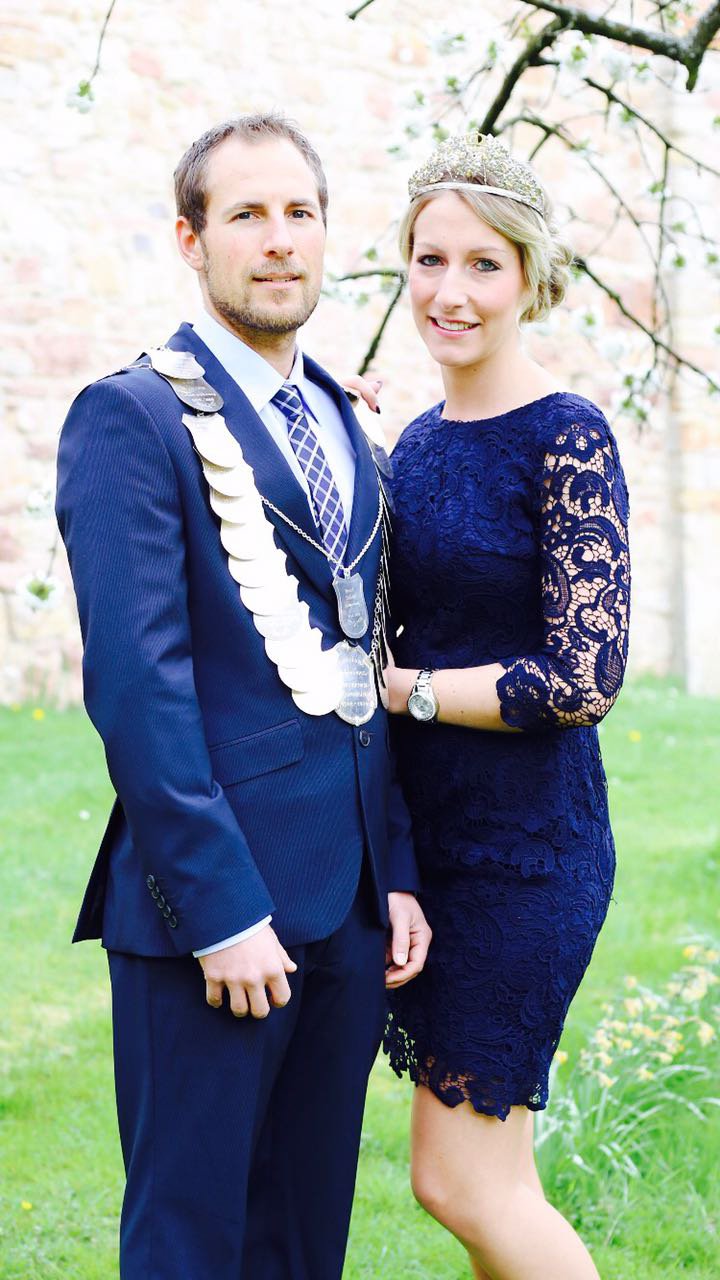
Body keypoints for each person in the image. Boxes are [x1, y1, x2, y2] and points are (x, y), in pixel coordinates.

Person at [55, 111, 431, 1280]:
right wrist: (218, 911)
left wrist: (398, 868)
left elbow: (367, 656)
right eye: (246, 214)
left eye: (299, 212)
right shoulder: (130, 417)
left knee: (303, 1245)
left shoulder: (344, 416)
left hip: (350, 907)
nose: (278, 240)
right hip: (214, 919)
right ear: (192, 238)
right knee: (191, 1244)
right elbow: (140, 689)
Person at [381, 133, 631, 1280]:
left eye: (484, 263)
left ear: (529, 275)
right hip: (431, 851)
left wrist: (413, 693)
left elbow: (586, 674)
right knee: (496, 1182)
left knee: (460, 1180)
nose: (452, 290)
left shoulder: (565, 434)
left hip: (529, 854)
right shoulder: (413, 445)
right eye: (430, 259)